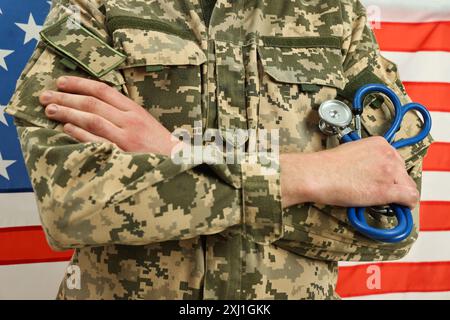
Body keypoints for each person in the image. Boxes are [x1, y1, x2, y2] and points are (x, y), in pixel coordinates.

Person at [6, 0, 432, 299]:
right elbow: (74, 204)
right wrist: (310, 177)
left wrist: (175, 153)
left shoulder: (333, 12)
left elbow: (391, 224)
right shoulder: (97, 8)